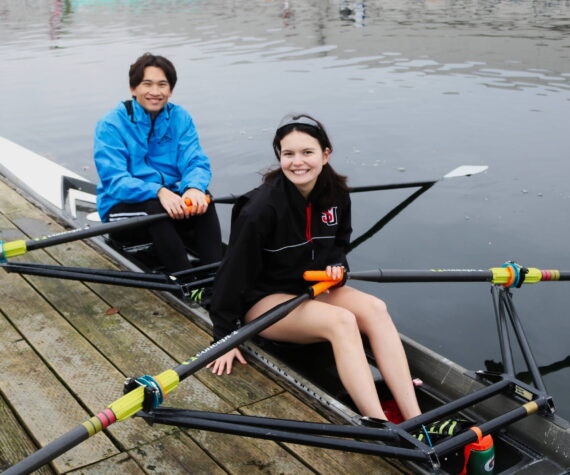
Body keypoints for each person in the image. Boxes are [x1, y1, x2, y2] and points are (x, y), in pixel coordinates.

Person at [208, 114, 422, 421]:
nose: (298, 162)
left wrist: (337, 266)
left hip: (309, 288)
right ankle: (382, 425)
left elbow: (339, 246)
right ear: (279, 157)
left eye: (307, 152)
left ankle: (415, 416)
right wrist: (224, 337)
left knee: (376, 308)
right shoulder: (259, 210)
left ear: (325, 154)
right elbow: (232, 274)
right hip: (262, 301)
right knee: (342, 323)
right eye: (288, 154)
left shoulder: (336, 195)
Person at [94, 53, 222, 275]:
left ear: (170, 90)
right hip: (121, 208)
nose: (155, 92)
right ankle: (187, 284)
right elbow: (115, 181)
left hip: (167, 205)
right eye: (147, 84)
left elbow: (196, 161)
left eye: (162, 85)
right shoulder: (111, 124)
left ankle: (218, 276)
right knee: (154, 206)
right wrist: (159, 191)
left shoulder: (179, 117)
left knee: (204, 200)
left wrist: (193, 188)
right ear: (133, 89)